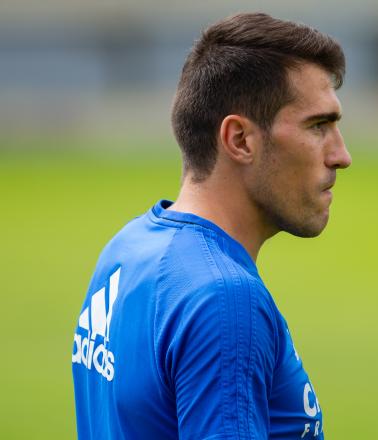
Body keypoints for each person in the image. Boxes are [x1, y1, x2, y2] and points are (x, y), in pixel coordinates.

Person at [71, 12, 351, 440]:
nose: (340, 155)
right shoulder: (225, 299)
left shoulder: (128, 248)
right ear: (240, 140)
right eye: (318, 126)